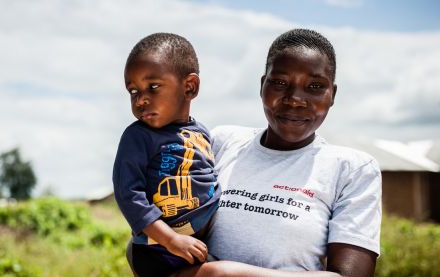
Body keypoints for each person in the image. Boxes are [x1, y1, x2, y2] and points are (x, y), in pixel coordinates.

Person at [174, 29, 381, 277]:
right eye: (280, 83)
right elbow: (163, 240)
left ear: (332, 95)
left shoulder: (352, 169)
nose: (294, 99)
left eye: (315, 86)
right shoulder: (221, 143)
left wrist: (226, 274)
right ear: (263, 86)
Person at [112, 33, 221, 277]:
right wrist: (170, 239)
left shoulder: (201, 133)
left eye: (153, 87)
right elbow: (129, 196)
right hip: (158, 250)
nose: (140, 99)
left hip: (197, 244)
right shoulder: (138, 137)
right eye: (133, 90)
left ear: (189, 87)